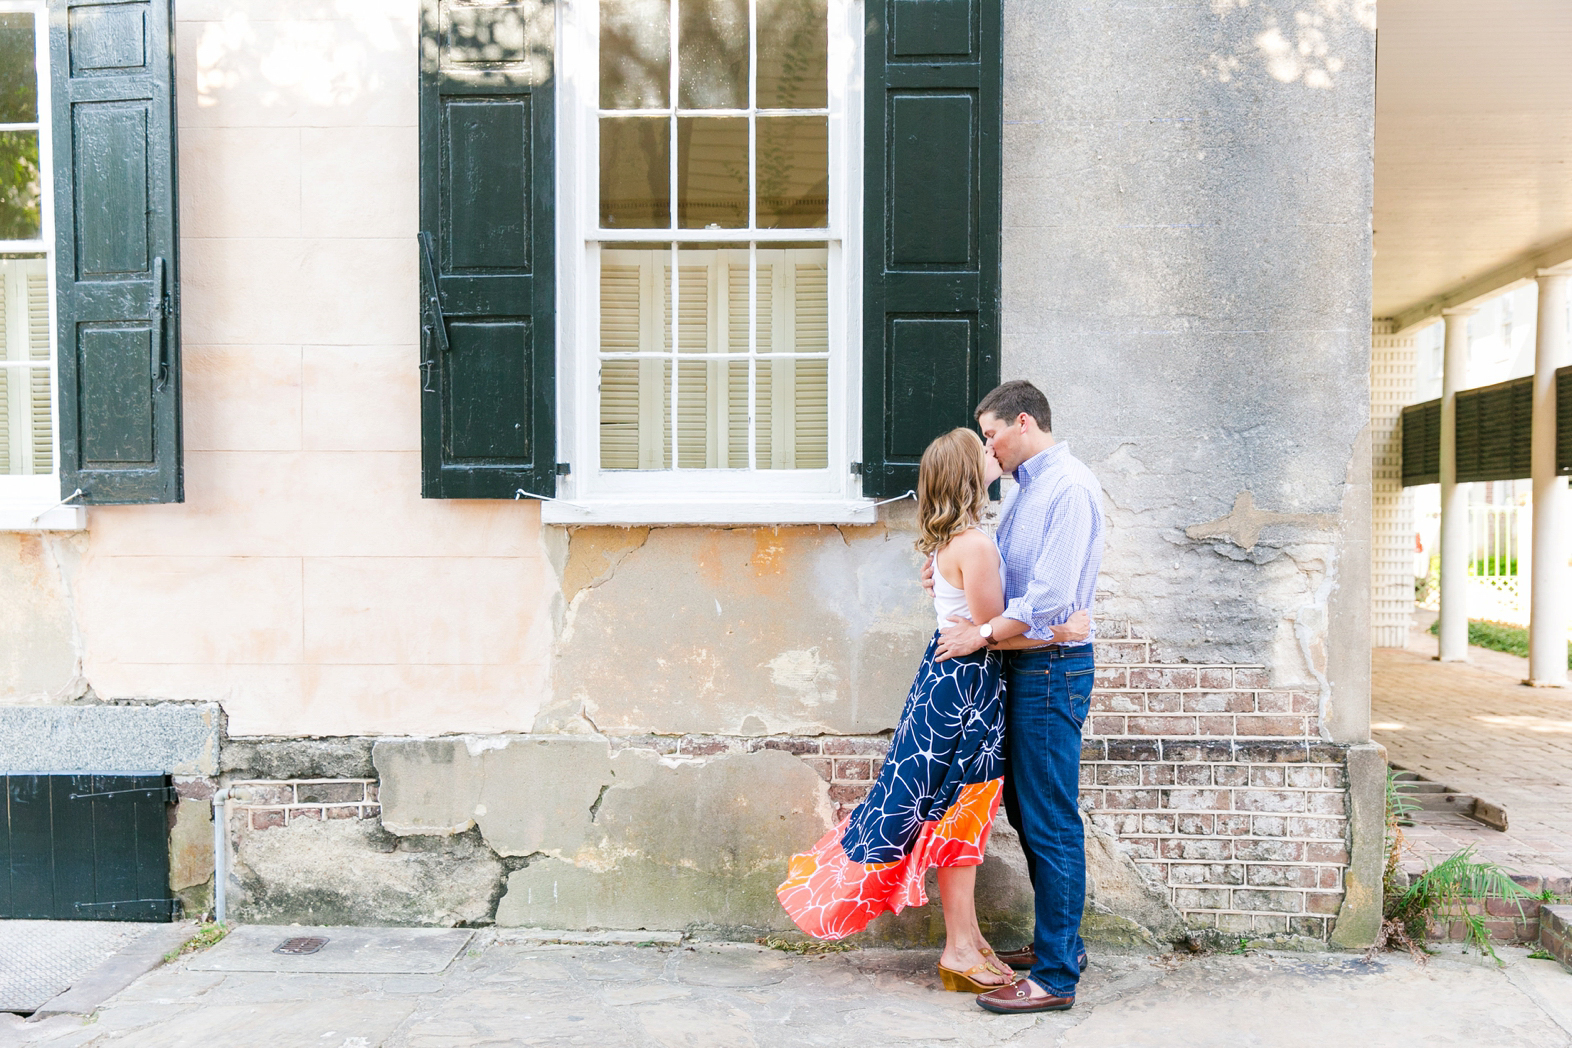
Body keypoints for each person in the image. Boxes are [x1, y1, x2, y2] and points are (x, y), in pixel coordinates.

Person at [777, 428, 1086, 991]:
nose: (995, 453)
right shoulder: (977, 544)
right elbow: (990, 633)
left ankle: (965, 944)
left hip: (948, 684)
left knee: (950, 809)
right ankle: (961, 948)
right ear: (972, 474)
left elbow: (978, 623)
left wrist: (990, 628)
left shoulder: (956, 541)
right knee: (959, 811)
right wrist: (1062, 631)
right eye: (985, 449)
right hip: (967, 690)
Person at [928, 380, 1105, 1015]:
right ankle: (1062, 945)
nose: (987, 446)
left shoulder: (1069, 488)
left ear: (1022, 422)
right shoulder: (1029, 492)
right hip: (1033, 664)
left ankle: (1057, 976)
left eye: (991, 433)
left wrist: (980, 634)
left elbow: (1052, 598)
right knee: (1032, 815)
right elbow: (1010, 583)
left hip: (1053, 668)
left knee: (1051, 818)